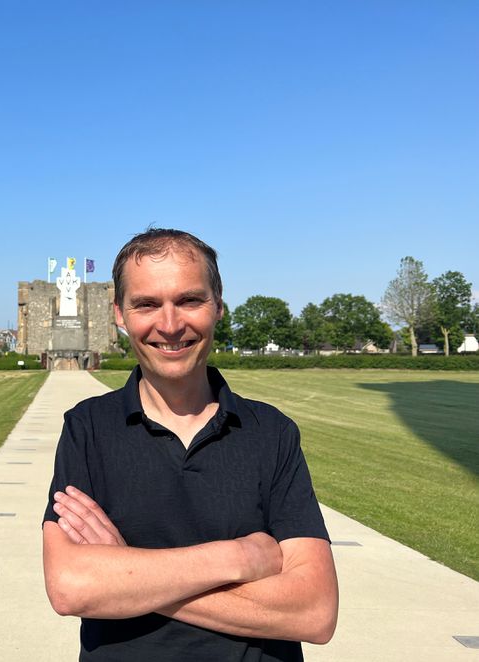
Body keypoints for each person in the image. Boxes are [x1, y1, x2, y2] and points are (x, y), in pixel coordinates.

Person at [42, 229, 338, 661]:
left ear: (218, 305)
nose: (169, 325)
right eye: (146, 304)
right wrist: (237, 556)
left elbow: (315, 611)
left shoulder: (272, 433)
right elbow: (71, 587)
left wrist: (128, 572)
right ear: (120, 315)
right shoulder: (87, 428)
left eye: (189, 300)